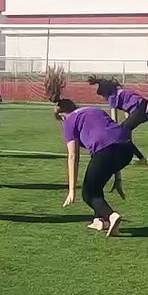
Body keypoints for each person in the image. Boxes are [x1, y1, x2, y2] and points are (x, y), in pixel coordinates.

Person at [55, 98, 135, 237]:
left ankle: (111, 216)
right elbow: (112, 137)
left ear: (62, 115)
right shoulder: (94, 110)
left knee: (88, 193)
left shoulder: (69, 120)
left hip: (106, 151)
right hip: (127, 148)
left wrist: (72, 190)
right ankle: (100, 221)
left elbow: (73, 156)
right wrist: (118, 178)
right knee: (96, 185)